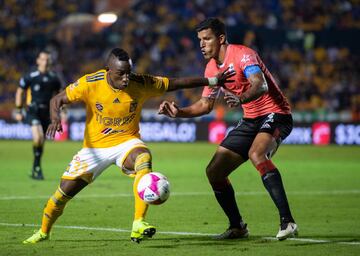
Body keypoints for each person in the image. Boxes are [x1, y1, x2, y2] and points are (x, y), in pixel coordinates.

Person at [23, 47, 234, 244]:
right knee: (61, 195)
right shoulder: (90, 82)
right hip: (93, 150)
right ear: (108, 70)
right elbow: (57, 100)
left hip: (127, 142)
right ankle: (43, 232)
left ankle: (138, 223)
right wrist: (54, 119)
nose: (126, 78)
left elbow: (176, 82)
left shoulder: (140, 82)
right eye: (121, 74)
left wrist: (213, 80)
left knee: (144, 157)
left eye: (128, 72)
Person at [158, 18, 298, 241]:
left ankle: (287, 221)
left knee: (257, 154)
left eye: (207, 39)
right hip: (251, 120)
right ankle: (237, 226)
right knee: (214, 171)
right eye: (199, 40)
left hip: (276, 114)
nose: (201, 44)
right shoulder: (212, 67)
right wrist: (179, 112)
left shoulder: (243, 55)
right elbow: (205, 105)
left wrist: (241, 97)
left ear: (221, 38)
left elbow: (260, 84)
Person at [15, 50, 62, 180]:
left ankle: (36, 167)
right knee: (38, 136)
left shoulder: (54, 78)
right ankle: (36, 167)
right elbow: (20, 91)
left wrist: (62, 111)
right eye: (42, 59)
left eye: (47, 59)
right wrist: (19, 110)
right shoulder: (31, 75)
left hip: (46, 113)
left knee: (41, 141)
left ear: (50, 61)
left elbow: (60, 95)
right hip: (33, 111)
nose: (45, 61)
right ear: (38, 60)